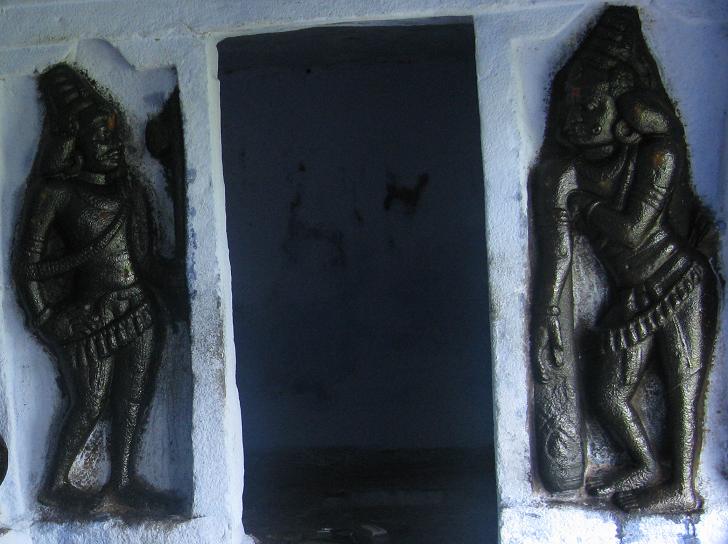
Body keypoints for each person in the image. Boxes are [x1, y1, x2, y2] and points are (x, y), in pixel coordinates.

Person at [533, 8, 718, 514]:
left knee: (683, 389)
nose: (576, 117)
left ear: (626, 112)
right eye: (571, 103)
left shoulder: (658, 156)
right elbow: (558, 252)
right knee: (609, 393)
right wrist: (548, 314)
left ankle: (682, 487)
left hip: (679, 279)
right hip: (633, 294)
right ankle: (643, 463)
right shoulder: (561, 173)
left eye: (592, 104)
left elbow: (633, 231)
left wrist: (585, 203)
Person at [13, 64, 176, 513]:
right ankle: (55, 483)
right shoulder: (56, 194)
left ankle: (123, 479)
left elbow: (143, 258)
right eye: (99, 136)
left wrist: (177, 283)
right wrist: (47, 318)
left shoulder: (129, 192)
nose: (112, 144)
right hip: (90, 317)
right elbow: (27, 268)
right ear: (75, 144)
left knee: (134, 399)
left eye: (113, 134)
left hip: (137, 307)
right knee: (90, 401)